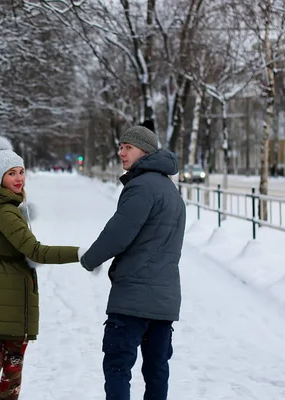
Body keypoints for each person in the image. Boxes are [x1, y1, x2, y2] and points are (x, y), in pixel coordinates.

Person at [0, 136, 82, 400]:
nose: (19, 178)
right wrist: (80, 254)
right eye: (11, 174)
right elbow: (36, 251)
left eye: (21, 172)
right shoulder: (7, 213)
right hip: (9, 298)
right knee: (10, 369)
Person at [79, 125, 186, 400]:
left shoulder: (141, 187)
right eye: (121, 147)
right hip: (165, 301)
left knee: (117, 367)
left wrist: (90, 259)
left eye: (128, 147)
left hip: (132, 300)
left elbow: (119, 233)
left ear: (145, 151)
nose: (121, 153)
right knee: (157, 371)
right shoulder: (172, 192)